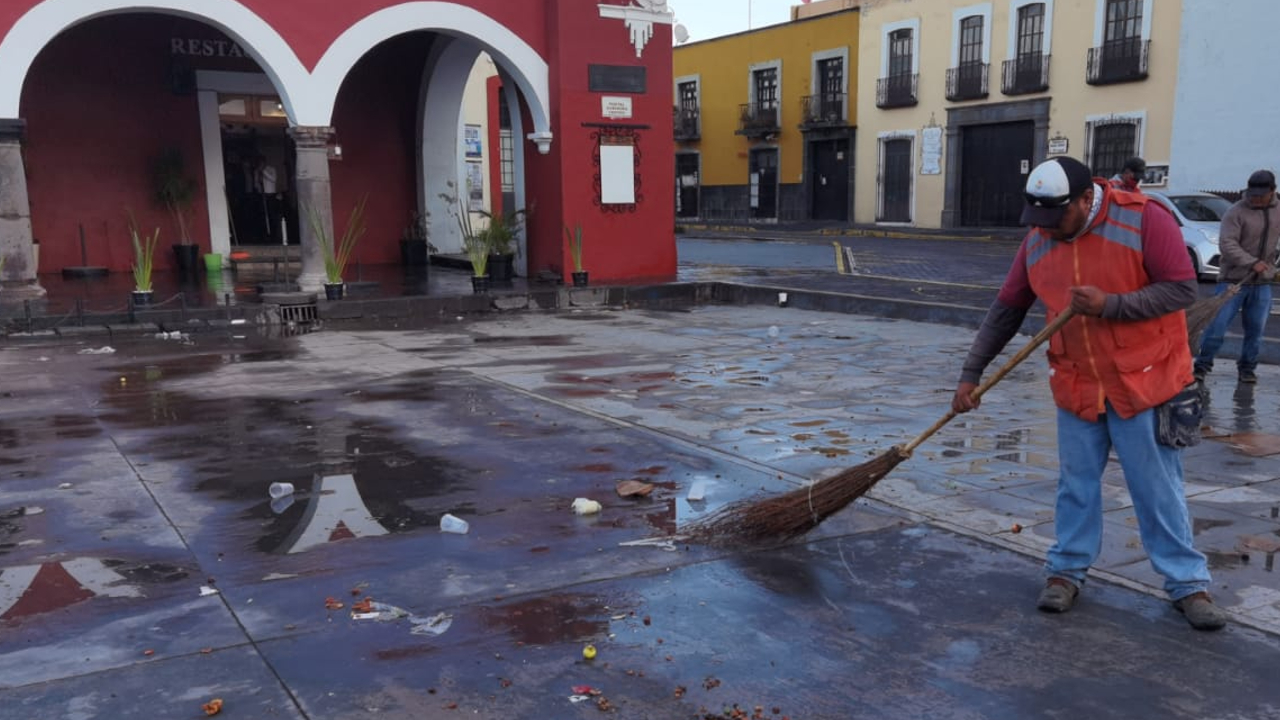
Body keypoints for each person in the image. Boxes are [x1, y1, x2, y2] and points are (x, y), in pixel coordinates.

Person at [951, 156, 1227, 631]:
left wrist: (1110, 305)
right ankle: (1066, 571)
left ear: (1084, 199)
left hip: (1146, 381)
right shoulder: (1039, 238)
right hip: (1078, 382)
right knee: (1075, 487)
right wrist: (970, 373)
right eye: (1038, 220)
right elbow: (1007, 308)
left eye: (1056, 218)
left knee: (1156, 490)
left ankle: (1187, 584)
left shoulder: (1143, 219)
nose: (1047, 230)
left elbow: (1182, 290)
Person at [1193, 169, 1280, 385]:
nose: (1256, 198)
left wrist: (1270, 264)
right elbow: (1227, 244)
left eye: (1261, 195)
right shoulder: (1236, 212)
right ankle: (1202, 366)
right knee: (1216, 329)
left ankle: (1247, 369)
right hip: (1232, 281)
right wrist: (1252, 262)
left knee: (1256, 331)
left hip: (1262, 283)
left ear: (1273, 192)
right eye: (1253, 194)